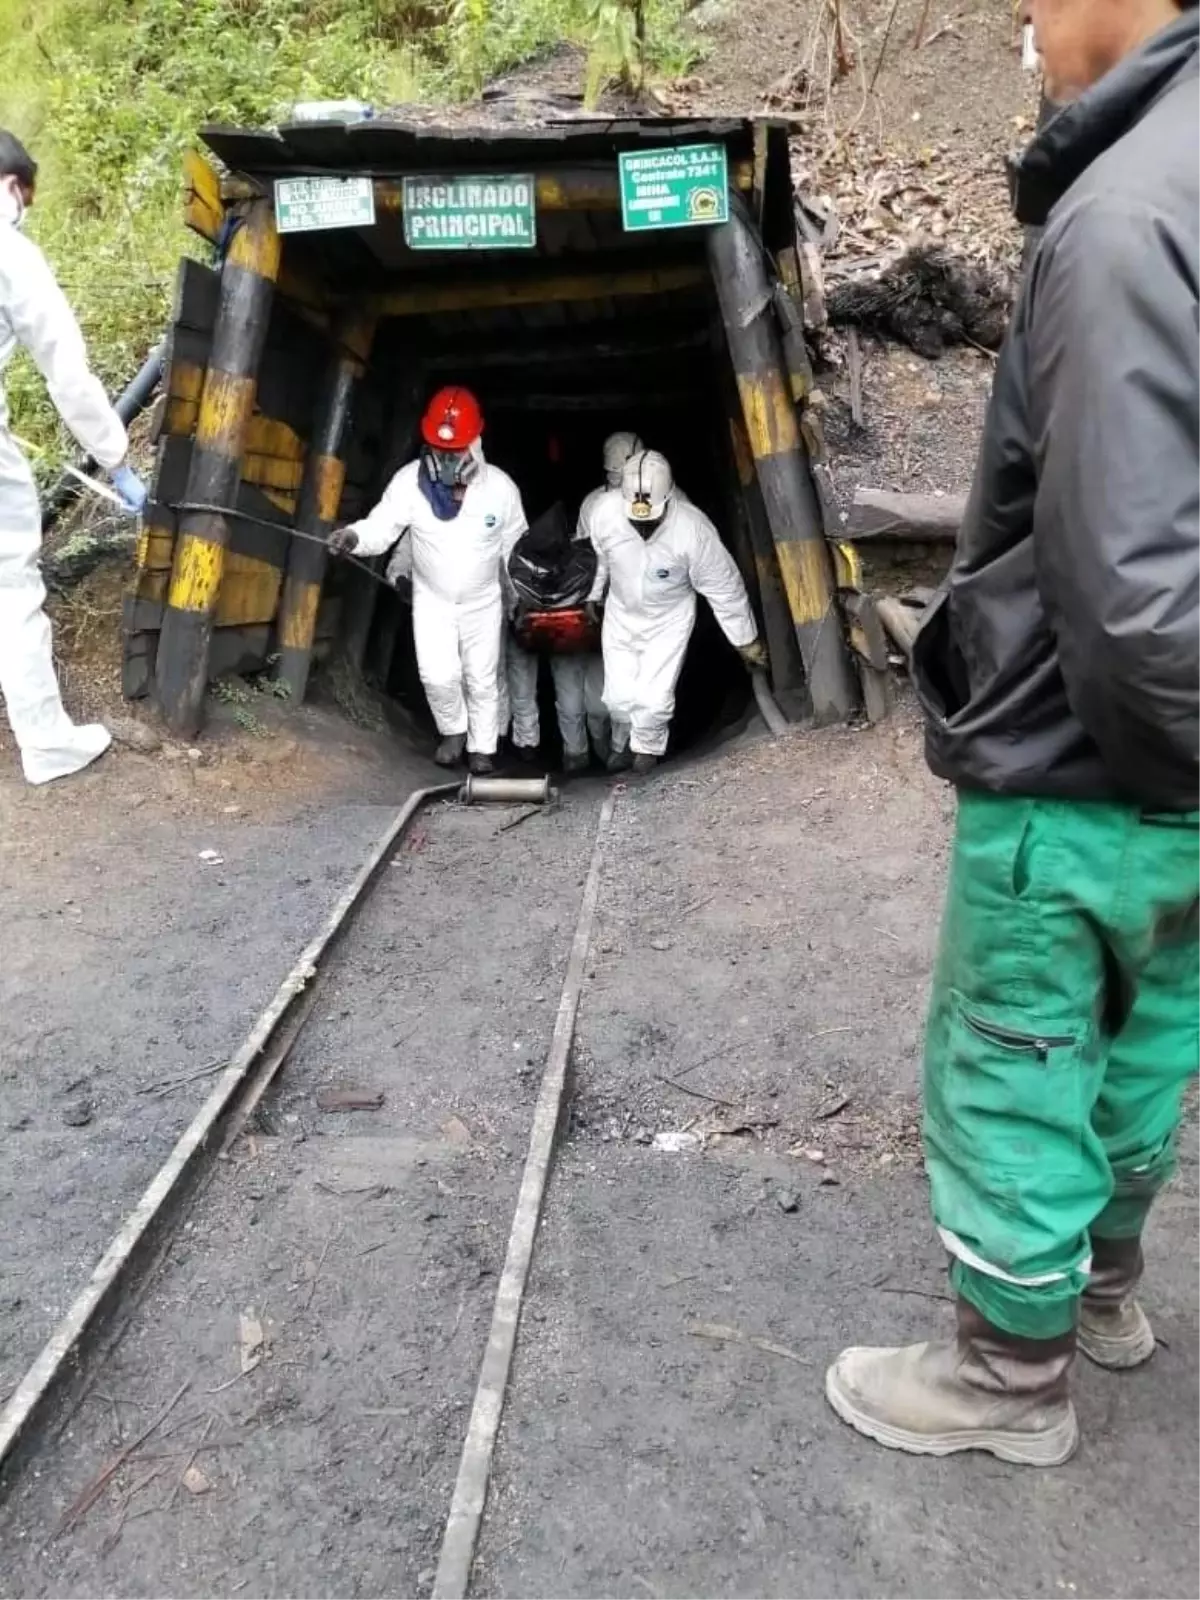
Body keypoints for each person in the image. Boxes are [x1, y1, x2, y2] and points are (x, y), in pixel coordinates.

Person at [825, 0, 1200, 1470]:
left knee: (1017, 1051)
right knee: (1146, 1044)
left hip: (1093, 765)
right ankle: (1103, 1295)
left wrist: (1160, 780)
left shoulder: (1121, 223)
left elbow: (1124, 587)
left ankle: (1005, 1376)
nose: (1026, 24)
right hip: (1177, 776)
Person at [0, 130, 147, 786]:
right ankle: (47, 742)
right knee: (10, 588)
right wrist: (117, 459)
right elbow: (68, 373)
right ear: (12, 186)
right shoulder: (11, 251)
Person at [330, 387, 526, 776]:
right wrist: (353, 537)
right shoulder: (408, 484)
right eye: (439, 448)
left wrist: (520, 600)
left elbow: (517, 552)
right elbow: (382, 526)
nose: (448, 458)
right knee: (437, 676)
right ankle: (453, 732)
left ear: (476, 440)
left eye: (455, 449)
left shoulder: (500, 489)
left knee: (482, 677)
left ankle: (482, 748)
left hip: (483, 601)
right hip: (432, 600)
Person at [586, 449, 765, 775]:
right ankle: (624, 743)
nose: (643, 527)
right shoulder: (604, 515)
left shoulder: (693, 531)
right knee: (616, 699)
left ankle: (645, 754)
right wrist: (593, 596)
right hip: (621, 615)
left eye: (650, 518)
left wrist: (745, 641)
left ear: (669, 499)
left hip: (669, 619)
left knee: (654, 699)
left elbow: (725, 588)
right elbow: (598, 560)